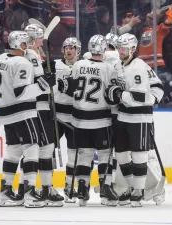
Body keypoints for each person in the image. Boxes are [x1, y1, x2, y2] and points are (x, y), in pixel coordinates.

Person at [0, 31, 55, 208]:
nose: (28, 46)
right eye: (26, 43)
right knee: (32, 148)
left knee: (13, 151)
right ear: (21, 45)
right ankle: (29, 193)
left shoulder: (1, 58)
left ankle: (5, 193)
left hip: (5, 111)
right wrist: (44, 84)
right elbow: (21, 93)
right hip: (22, 111)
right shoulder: (23, 62)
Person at [58, 34, 118, 206]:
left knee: (84, 154)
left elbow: (69, 90)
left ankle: (82, 188)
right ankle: (105, 189)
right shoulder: (108, 69)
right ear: (104, 49)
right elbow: (113, 97)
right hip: (101, 120)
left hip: (79, 120)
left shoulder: (78, 65)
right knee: (105, 154)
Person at [104, 33, 161, 207]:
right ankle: (132, 187)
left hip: (140, 117)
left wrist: (118, 94)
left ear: (133, 49)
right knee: (121, 155)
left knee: (138, 154)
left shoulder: (137, 68)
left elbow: (139, 96)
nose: (120, 51)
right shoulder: (120, 65)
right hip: (124, 116)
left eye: (123, 49)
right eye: (119, 48)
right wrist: (113, 92)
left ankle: (139, 190)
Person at [23, 23, 64, 206]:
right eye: (39, 38)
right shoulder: (30, 55)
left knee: (44, 149)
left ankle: (45, 188)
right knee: (39, 150)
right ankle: (33, 189)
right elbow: (40, 82)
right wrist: (48, 73)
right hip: (37, 107)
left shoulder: (35, 54)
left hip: (42, 107)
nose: (41, 41)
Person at [54, 37, 81, 203]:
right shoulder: (55, 65)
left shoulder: (83, 66)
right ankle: (46, 187)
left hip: (74, 116)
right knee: (47, 152)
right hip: (56, 115)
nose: (69, 50)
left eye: (72, 48)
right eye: (66, 47)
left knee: (74, 154)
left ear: (78, 50)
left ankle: (70, 186)